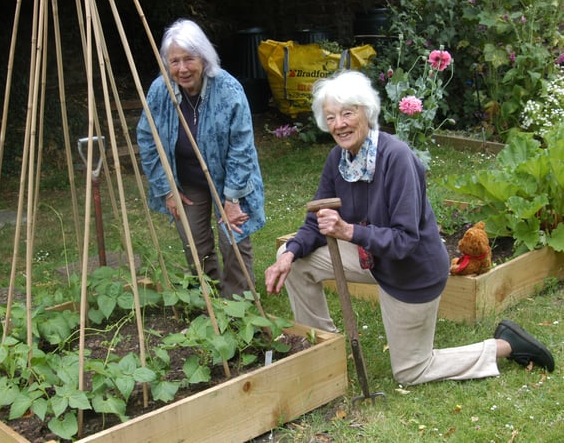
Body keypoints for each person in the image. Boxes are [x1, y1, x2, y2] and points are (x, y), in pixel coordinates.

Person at [264, 70, 554, 385]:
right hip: (370, 257)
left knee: (411, 371)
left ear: (367, 112)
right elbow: (315, 220)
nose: (339, 124)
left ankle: (506, 345)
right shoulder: (338, 160)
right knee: (292, 259)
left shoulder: (397, 158)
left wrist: (349, 232)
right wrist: (290, 252)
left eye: (348, 113)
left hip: (411, 272)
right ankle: (322, 348)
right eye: (331, 117)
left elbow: (404, 241)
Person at [137, 19, 265, 298]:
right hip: (187, 181)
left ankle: (239, 302)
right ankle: (209, 298)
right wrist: (166, 189)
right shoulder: (161, 90)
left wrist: (232, 200)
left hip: (230, 181)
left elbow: (241, 149)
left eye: (189, 59)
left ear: (204, 58)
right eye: (174, 61)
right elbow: (147, 139)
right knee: (194, 241)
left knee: (234, 237)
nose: (182, 68)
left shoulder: (229, 92)